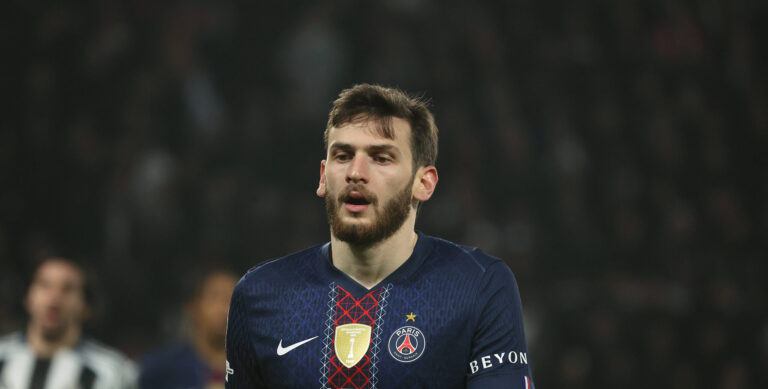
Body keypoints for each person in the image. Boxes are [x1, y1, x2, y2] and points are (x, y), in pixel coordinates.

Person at [225, 84, 535, 388]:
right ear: (323, 176)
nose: (356, 172)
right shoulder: (260, 294)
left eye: (381, 158)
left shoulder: (478, 285)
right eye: (343, 156)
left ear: (423, 183)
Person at [0, 256, 137, 389]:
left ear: (85, 306)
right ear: (28, 298)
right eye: (44, 285)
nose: (53, 300)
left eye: (67, 289)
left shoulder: (112, 371)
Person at [139, 269, 238, 389]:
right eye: (216, 297)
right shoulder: (161, 368)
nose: (225, 307)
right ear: (193, 306)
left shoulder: (256, 368)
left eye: (234, 298)